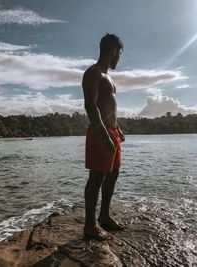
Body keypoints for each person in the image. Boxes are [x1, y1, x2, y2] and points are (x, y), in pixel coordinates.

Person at [82, 33, 125, 240]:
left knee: (114, 173)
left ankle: (104, 216)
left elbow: (109, 106)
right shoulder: (94, 73)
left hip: (112, 131)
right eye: (119, 54)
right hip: (101, 131)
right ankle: (89, 226)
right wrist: (103, 134)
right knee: (96, 177)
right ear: (113, 51)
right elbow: (91, 105)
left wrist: (117, 129)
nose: (119, 59)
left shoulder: (108, 76)